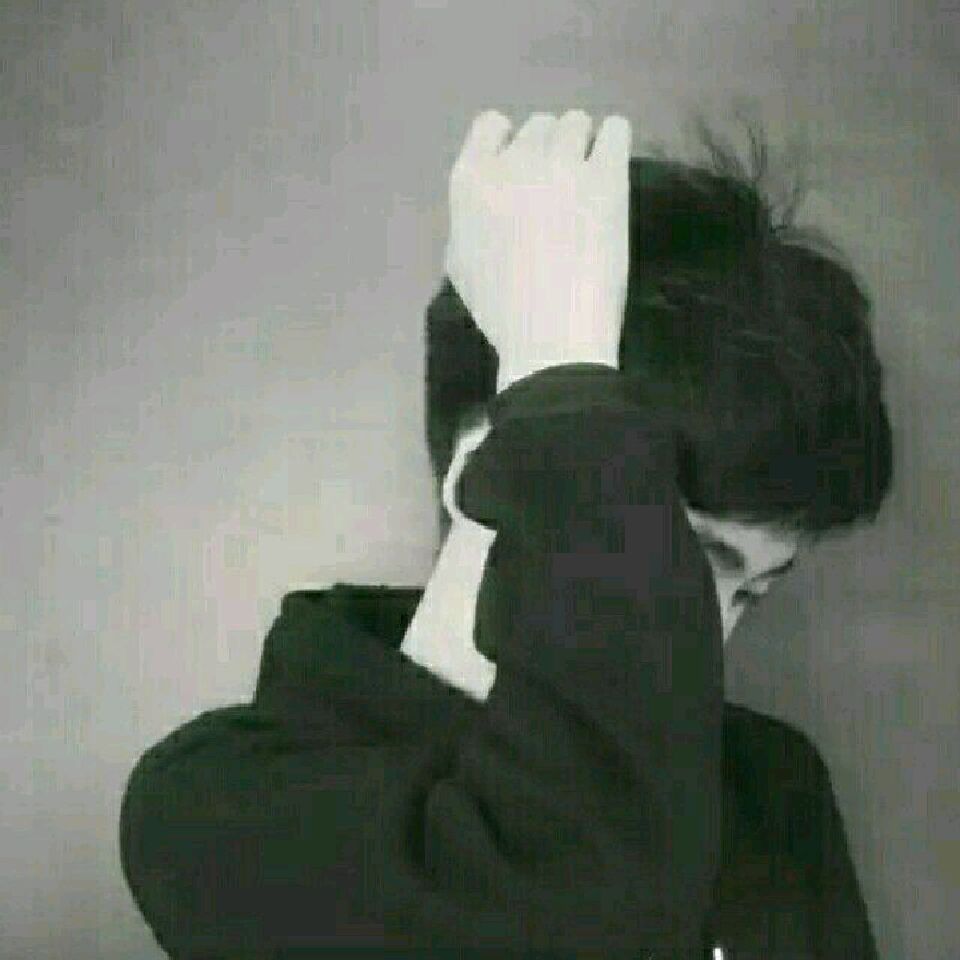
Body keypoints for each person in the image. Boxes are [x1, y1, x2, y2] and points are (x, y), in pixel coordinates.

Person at [119, 109, 892, 959]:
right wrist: (560, 369)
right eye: (689, 557)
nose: (713, 635)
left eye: (751, 591)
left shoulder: (771, 784)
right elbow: (575, 909)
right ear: (481, 471)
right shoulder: (222, 804)